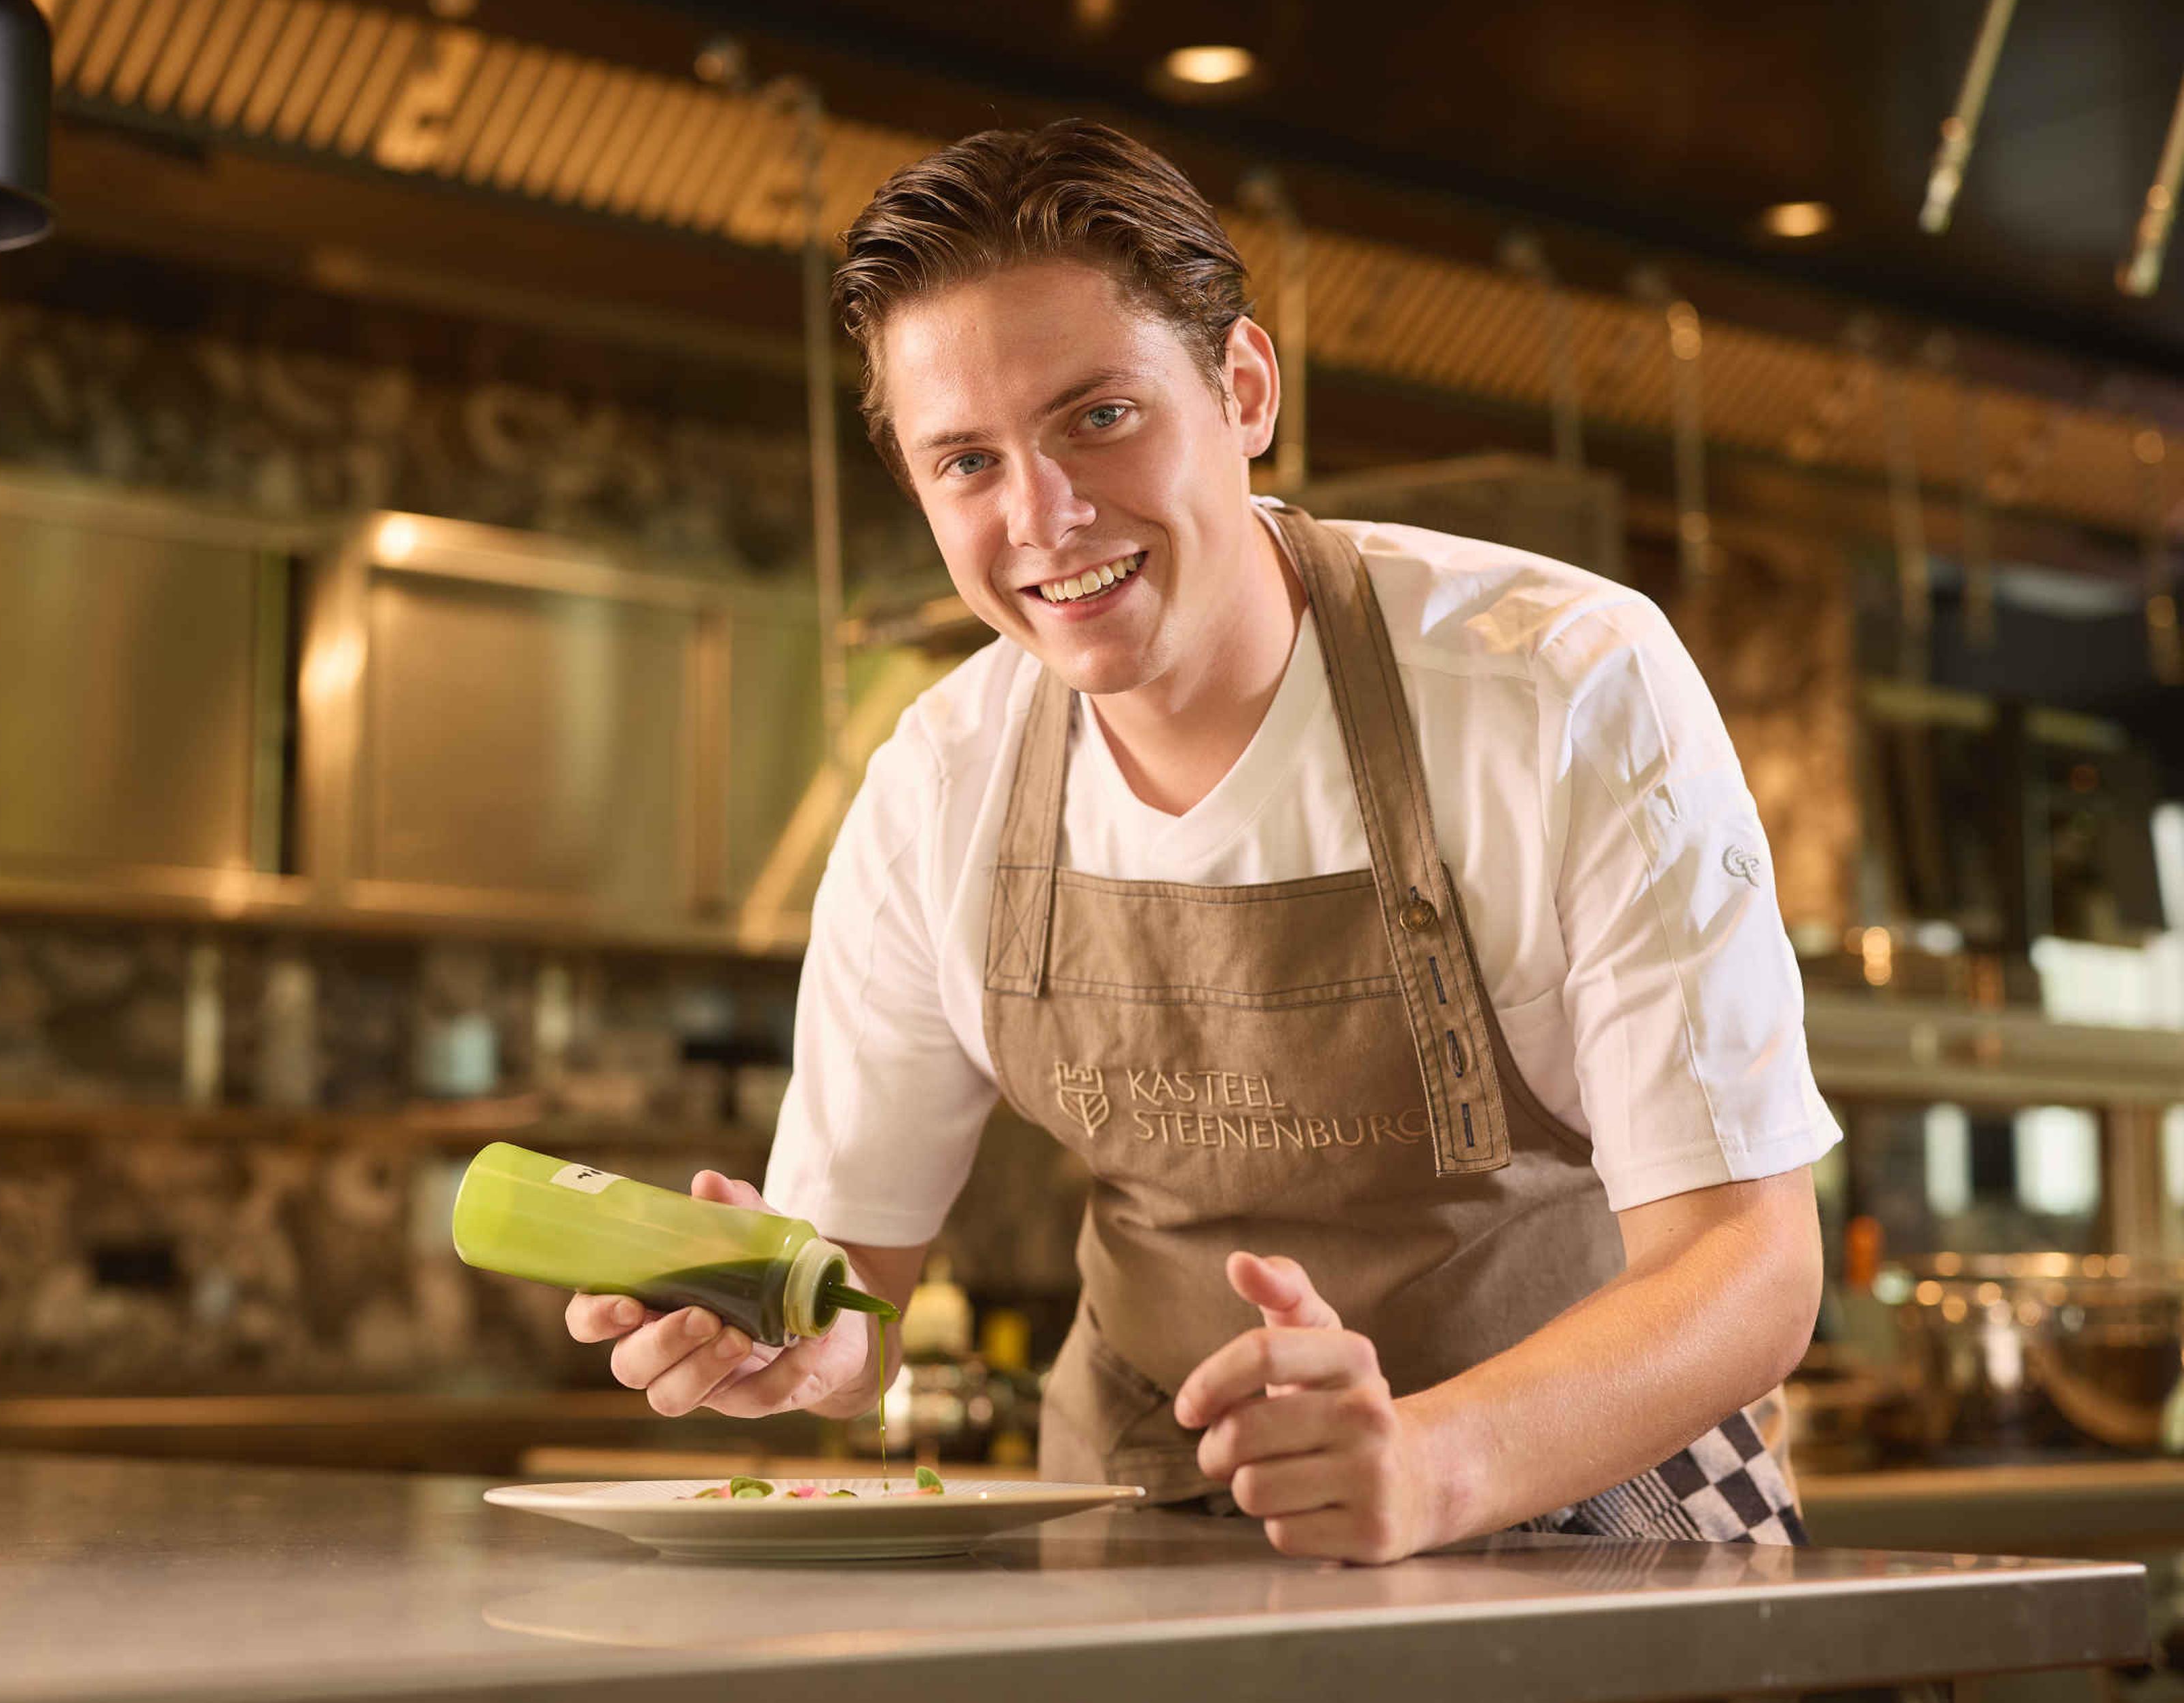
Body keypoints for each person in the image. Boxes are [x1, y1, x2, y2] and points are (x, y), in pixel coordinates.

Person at [566, 120, 1834, 1562]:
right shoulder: (939, 784)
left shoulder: (1562, 686)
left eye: (1100, 416)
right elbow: (854, 1293)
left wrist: (1432, 1461)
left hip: (1592, 1513)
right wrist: (784, 1338)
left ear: (1243, 389)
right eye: (967, 460)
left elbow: (1748, 1263)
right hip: (1155, 1532)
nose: (1042, 517)